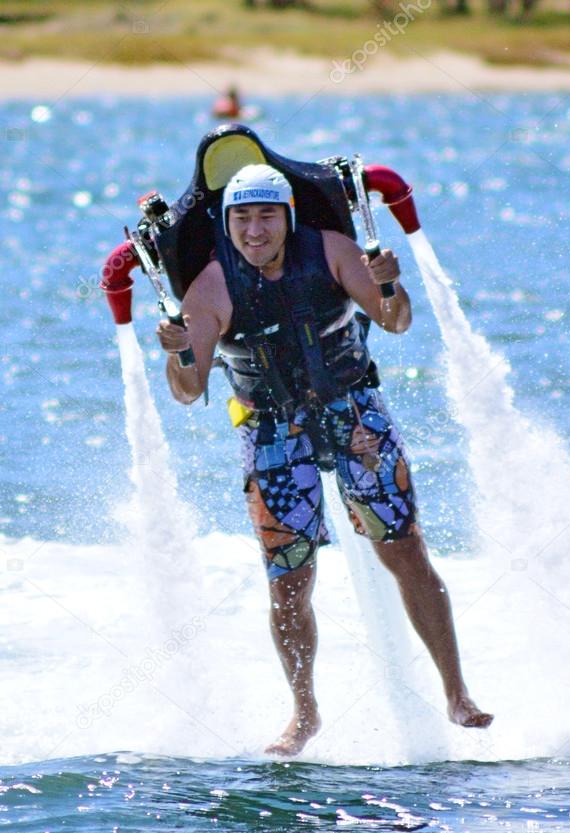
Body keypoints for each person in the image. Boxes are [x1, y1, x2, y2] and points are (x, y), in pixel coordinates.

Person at [157, 164, 493, 756]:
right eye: (242, 218)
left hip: (353, 412)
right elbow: (188, 391)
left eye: (266, 216)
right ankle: (304, 714)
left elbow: (395, 322)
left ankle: (457, 693)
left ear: (287, 216)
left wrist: (389, 284)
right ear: (226, 223)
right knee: (289, 582)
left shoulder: (333, 250)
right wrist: (181, 352)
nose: (254, 230)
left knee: (406, 550)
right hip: (272, 430)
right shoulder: (210, 288)